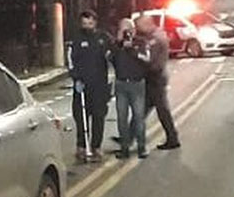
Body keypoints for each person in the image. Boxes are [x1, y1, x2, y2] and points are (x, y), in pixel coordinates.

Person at [67, 10, 112, 162]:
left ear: (95, 22)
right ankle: (81, 146)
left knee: (99, 116)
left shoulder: (103, 38)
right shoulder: (76, 40)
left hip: (99, 85)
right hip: (82, 86)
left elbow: (112, 54)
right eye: (85, 23)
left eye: (90, 23)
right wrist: (76, 78)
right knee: (81, 117)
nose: (87, 26)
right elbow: (71, 60)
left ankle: (96, 147)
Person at [136, 15, 181, 150]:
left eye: (140, 26)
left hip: (155, 78)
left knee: (161, 110)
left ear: (147, 24)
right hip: (156, 78)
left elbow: (151, 61)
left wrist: (138, 58)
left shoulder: (155, 39)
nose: (138, 29)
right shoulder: (156, 36)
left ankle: (172, 138)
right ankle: (128, 136)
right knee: (143, 110)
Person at [111, 19, 151, 159]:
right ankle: (124, 148)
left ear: (133, 30)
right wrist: (119, 42)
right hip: (121, 84)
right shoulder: (117, 45)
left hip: (137, 84)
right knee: (121, 118)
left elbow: (147, 59)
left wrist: (133, 50)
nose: (126, 33)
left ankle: (141, 147)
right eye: (123, 30)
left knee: (139, 117)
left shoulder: (140, 42)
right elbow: (110, 58)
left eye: (128, 30)